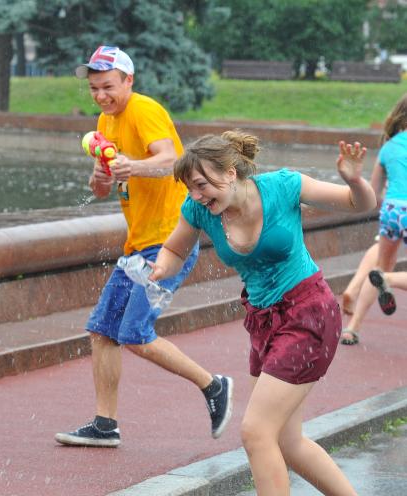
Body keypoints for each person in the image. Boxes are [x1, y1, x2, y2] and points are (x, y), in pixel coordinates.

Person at [148, 130, 376, 495]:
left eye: (202, 184)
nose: (197, 195)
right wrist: (160, 268)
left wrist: (354, 180)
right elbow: (174, 250)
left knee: (256, 431)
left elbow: (359, 203)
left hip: (309, 314)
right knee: (287, 441)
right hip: (264, 322)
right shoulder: (198, 210)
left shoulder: (283, 186)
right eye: (191, 188)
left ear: (230, 173)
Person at [55, 46, 233, 448]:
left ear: (128, 81)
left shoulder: (144, 109)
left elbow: (173, 160)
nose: (101, 95)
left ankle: (214, 386)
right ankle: (105, 425)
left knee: (134, 333)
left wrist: (132, 165)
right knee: (102, 331)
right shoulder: (105, 120)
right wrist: (101, 175)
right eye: (94, 88)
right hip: (138, 246)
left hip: (170, 242)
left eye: (108, 86)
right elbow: (100, 187)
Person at [341, 94, 407, 345]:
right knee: (385, 273)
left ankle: (352, 328)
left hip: (391, 212)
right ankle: (388, 280)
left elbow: (374, 193)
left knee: (380, 265)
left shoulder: (388, 147)